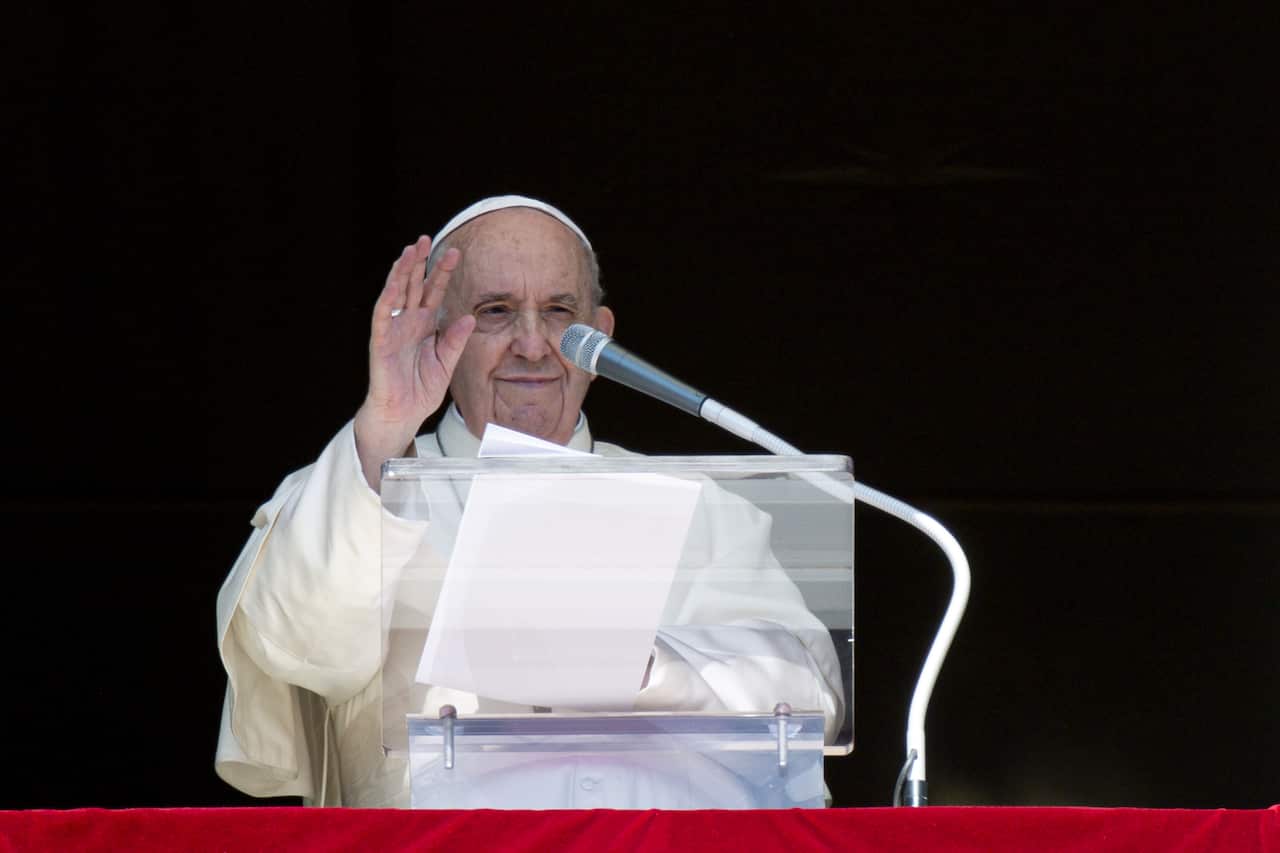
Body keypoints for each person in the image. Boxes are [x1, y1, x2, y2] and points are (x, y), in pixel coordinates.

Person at [214, 196, 844, 807]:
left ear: (598, 338)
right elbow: (293, 646)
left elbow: (809, 697)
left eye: (559, 312)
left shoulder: (706, 507)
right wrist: (385, 425)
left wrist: (644, 667)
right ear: (435, 333)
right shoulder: (360, 486)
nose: (535, 345)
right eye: (494, 311)